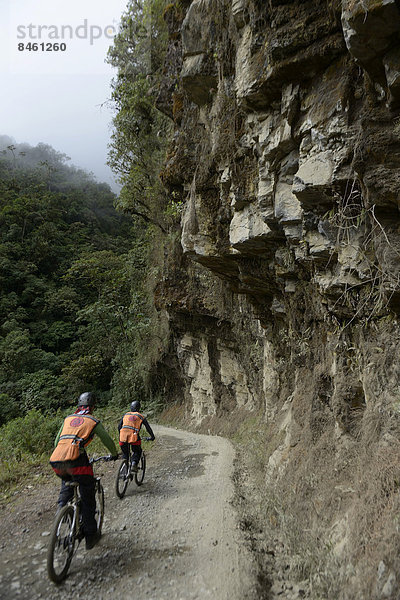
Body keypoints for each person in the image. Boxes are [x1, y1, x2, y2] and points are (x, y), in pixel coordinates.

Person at [49, 392, 118, 550]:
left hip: (57, 461)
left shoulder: (68, 419)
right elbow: (106, 439)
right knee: (88, 497)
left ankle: (63, 514)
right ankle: (90, 535)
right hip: (77, 462)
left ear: (78, 405)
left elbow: (56, 441)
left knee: (66, 487)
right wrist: (114, 454)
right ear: (93, 406)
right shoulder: (93, 420)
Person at [118, 400, 155, 473]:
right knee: (137, 451)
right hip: (134, 437)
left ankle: (124, 469)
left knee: (125, 454)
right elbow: (148, 428)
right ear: (139, 408)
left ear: (131, 408)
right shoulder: (141, 416)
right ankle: (134, 464)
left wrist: (122, 434)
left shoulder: (126, 415)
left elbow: (119, 427)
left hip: (122, 437)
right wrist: (152, 437)